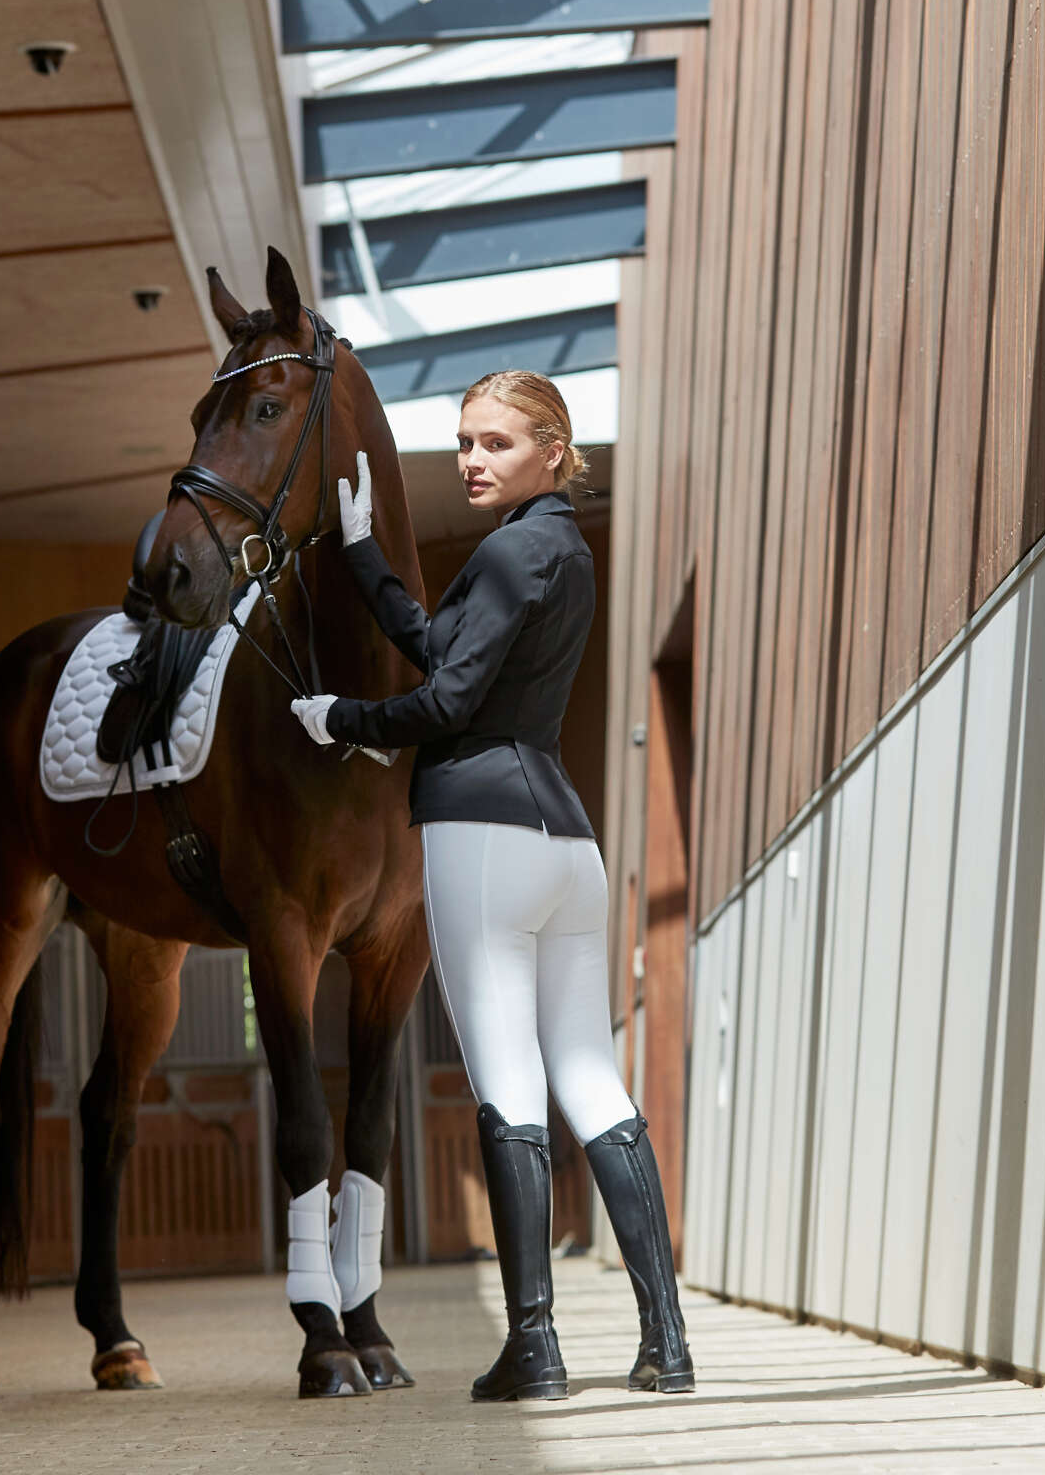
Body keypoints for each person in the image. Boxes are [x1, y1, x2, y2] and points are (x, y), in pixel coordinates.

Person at [291, 370, 693, 1402]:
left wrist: (342, 719)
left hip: (481, 833)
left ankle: (534, 1346)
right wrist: (369, 559)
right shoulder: (560, 550)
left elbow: (445, 695)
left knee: (505, 1084)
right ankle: (665, 1343)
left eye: (496, 442)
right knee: (590, 1076)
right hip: (566, 838)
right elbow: (443, 646)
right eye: (465, 440)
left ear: (553, 449)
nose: (472, 458)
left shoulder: (510, 548)